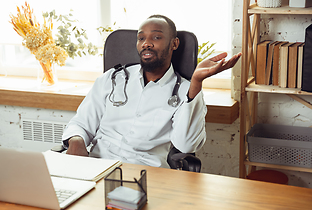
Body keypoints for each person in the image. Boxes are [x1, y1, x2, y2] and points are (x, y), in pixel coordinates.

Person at [62, 15, 241, 168]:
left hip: (145, 172)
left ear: (174, 43)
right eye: (141, 38)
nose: (146, 43)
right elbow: (82, 123)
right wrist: (77, 141)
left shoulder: (186, 90)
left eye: (156, 38)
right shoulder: (113, 78)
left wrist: (196, 82)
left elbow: (186, 145)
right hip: (97, 164)